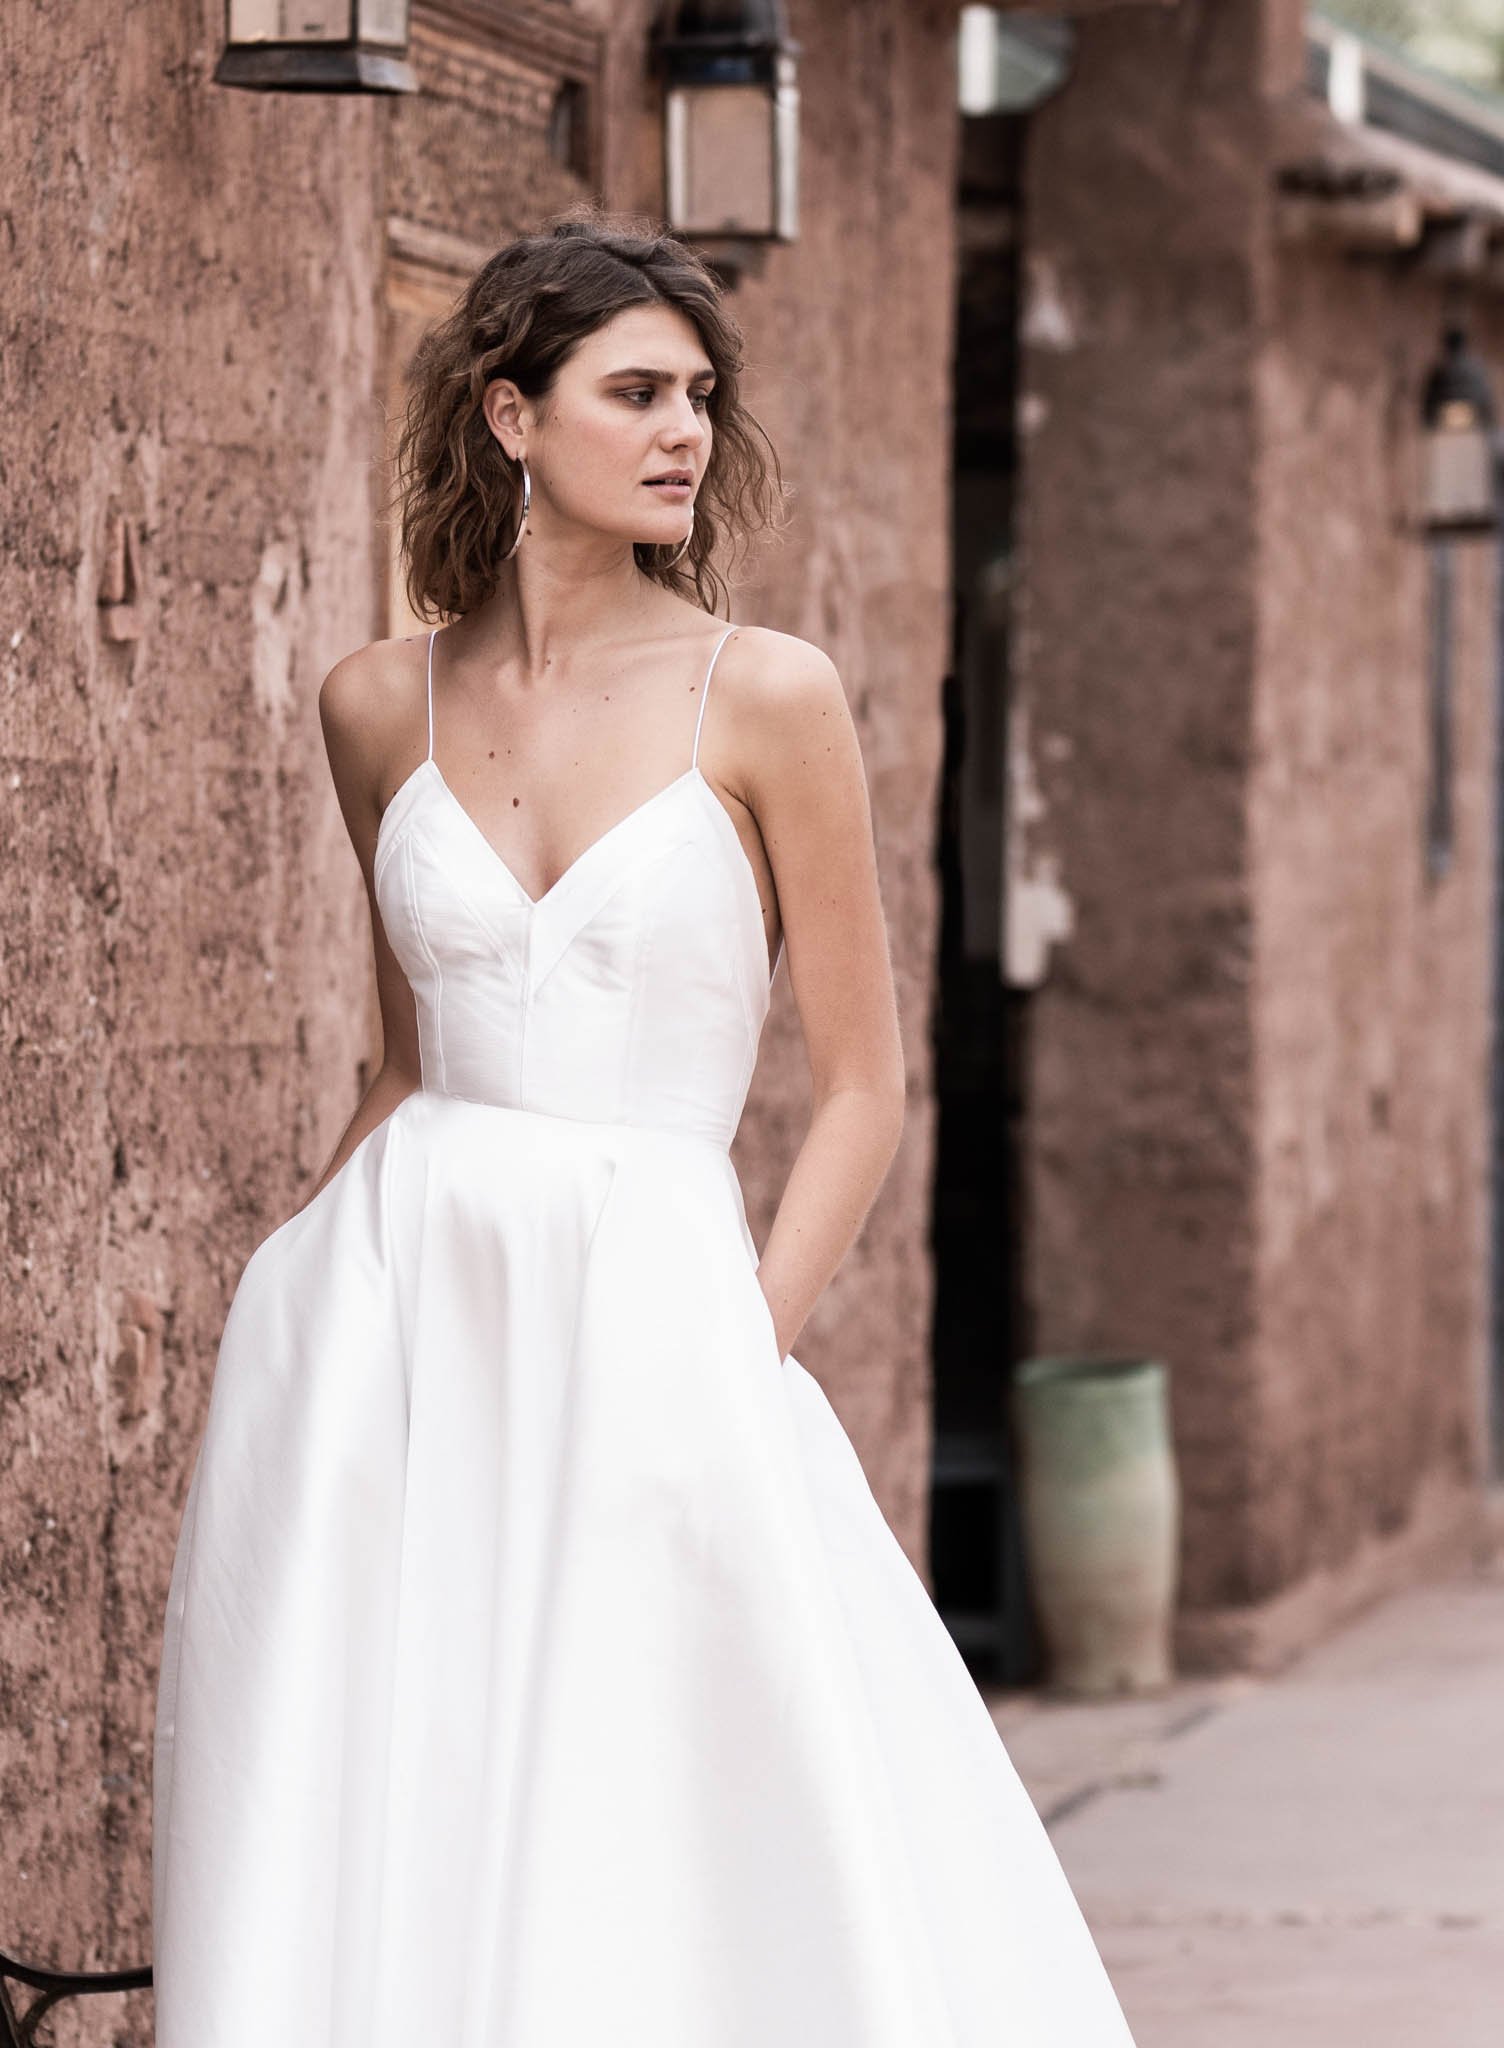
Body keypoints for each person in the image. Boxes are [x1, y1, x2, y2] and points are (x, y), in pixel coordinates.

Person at [151, 210, 1137, 2047]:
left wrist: (735, 1347)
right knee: (396, 1770)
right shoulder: (377, 703)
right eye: (634, 392)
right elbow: (401, 1058)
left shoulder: (765, 694)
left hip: (665, 1311)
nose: (683, 428)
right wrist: (286, 1281)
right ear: (513, 418)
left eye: (698, 394)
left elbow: (863, 1084)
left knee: (655, 1788)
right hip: (391, 1331)